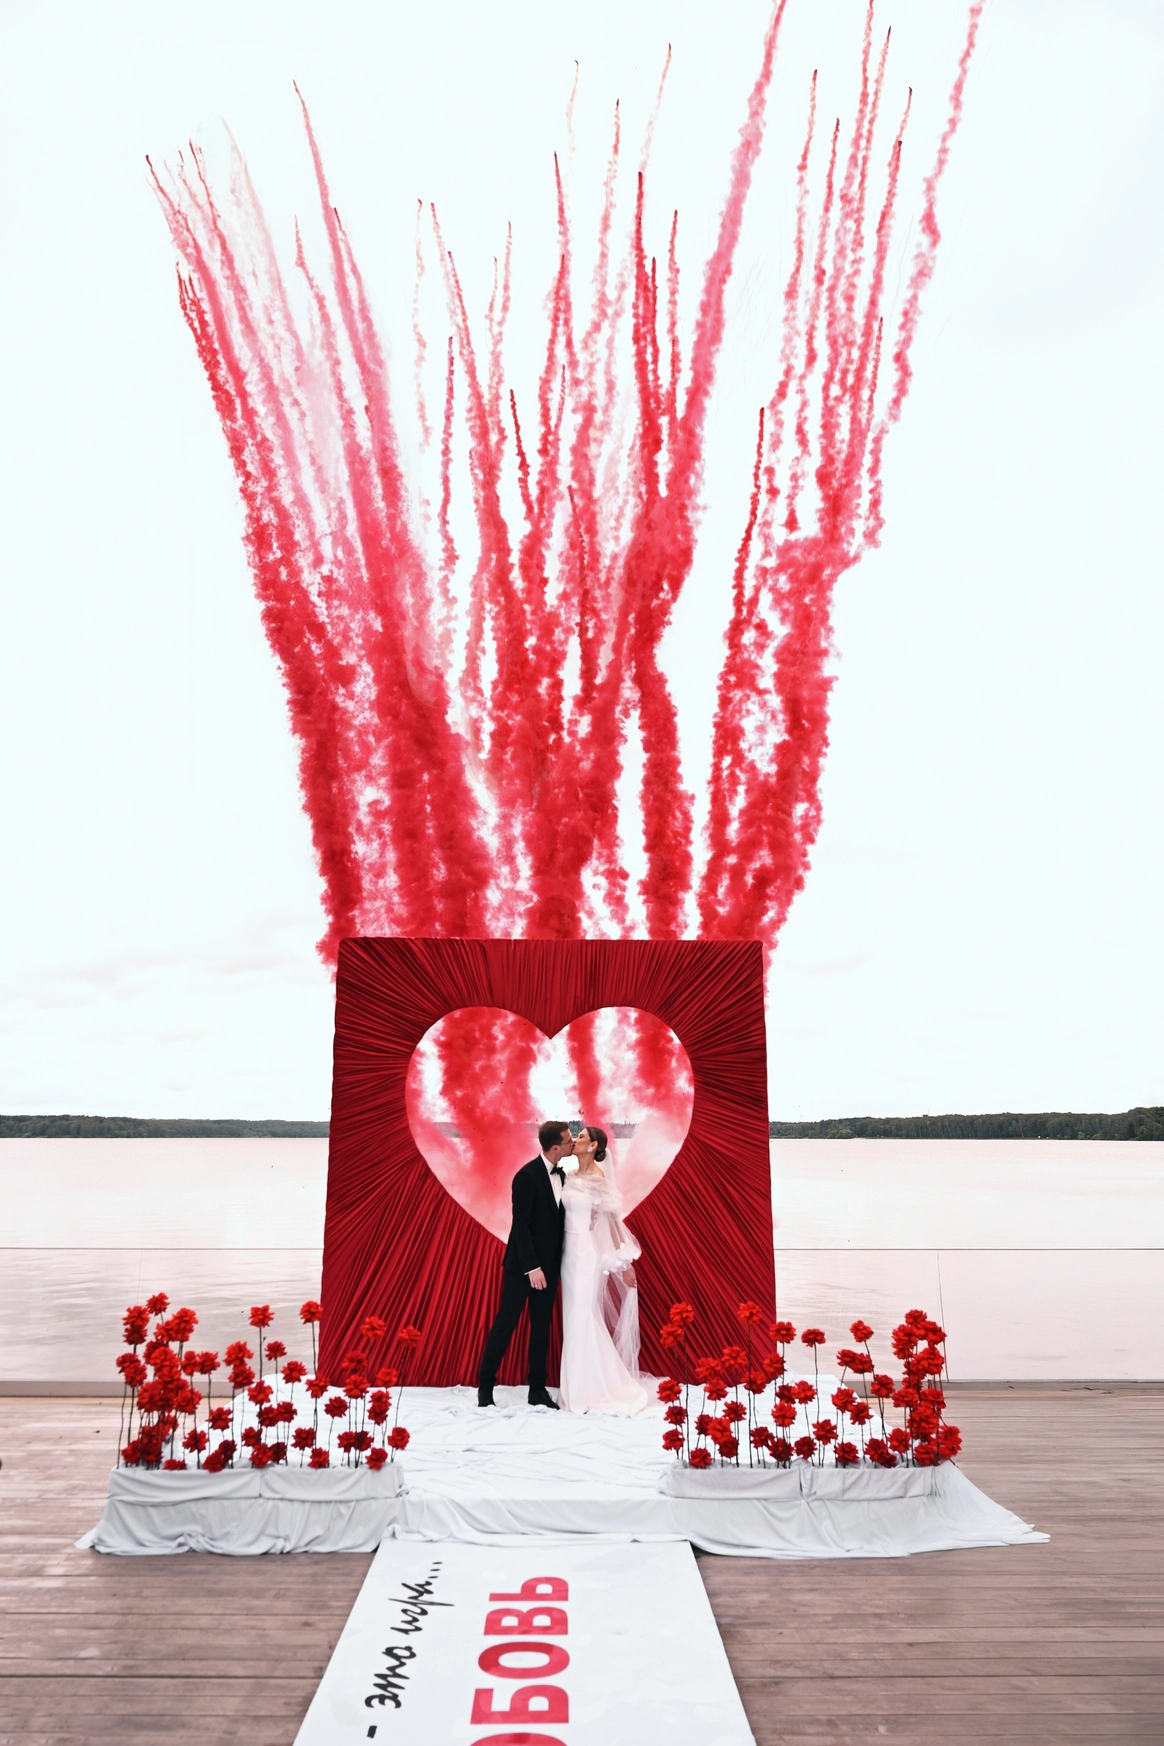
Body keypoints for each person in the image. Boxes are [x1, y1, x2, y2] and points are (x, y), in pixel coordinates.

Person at [477, 1119, 573, 1409]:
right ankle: (485, 1389)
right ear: (555, 1147)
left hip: (551, 1268)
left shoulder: (563, 1176)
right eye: (568, 1141)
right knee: (506, 1324)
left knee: (542, 1328)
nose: (572, 1143)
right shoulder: (526, 1176)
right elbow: (520, 1226)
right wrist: (533, 1268)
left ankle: (537, 1390)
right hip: (523, 1268)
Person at [558, 1125, 649, 1414]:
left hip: (586, 1253)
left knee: (582, 1315)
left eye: (582, 1136)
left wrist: (625, 1265)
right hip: (566, 1252)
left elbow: (612, 1224)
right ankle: (577, 1384)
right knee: (572, 1316)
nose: (575, 1139)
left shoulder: (599, 1180)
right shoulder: (569, 1175)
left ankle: (587, 1389)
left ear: (594, 1146)